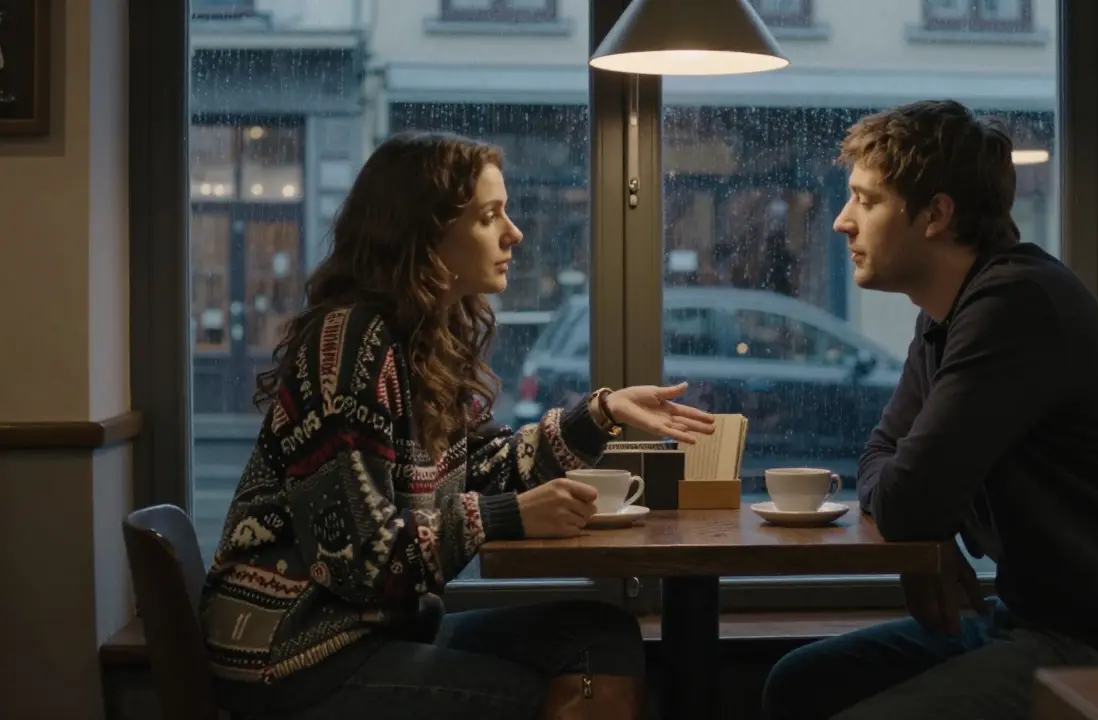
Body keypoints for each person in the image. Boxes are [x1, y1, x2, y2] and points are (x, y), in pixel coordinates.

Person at [200, 131, 717, 720]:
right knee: (543, 692)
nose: (514, 233)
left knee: (603, 637)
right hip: (299, 652)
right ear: (424, 234)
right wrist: (503, 517)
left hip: (377, 633)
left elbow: (485, 466)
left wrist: (602, 414)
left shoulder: (418, 341)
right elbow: (358, 559)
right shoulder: (348, 343)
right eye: (490, 216)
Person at [761, 100, 1098, 719]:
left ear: (936, 215)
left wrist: (924, 519)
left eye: (866, 201)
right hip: (1030, 621)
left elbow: (906, 500)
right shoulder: (946, 313)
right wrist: (927, 529)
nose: (842, 221)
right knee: (800, 683)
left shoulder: (1013, 304)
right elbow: (881, 458)